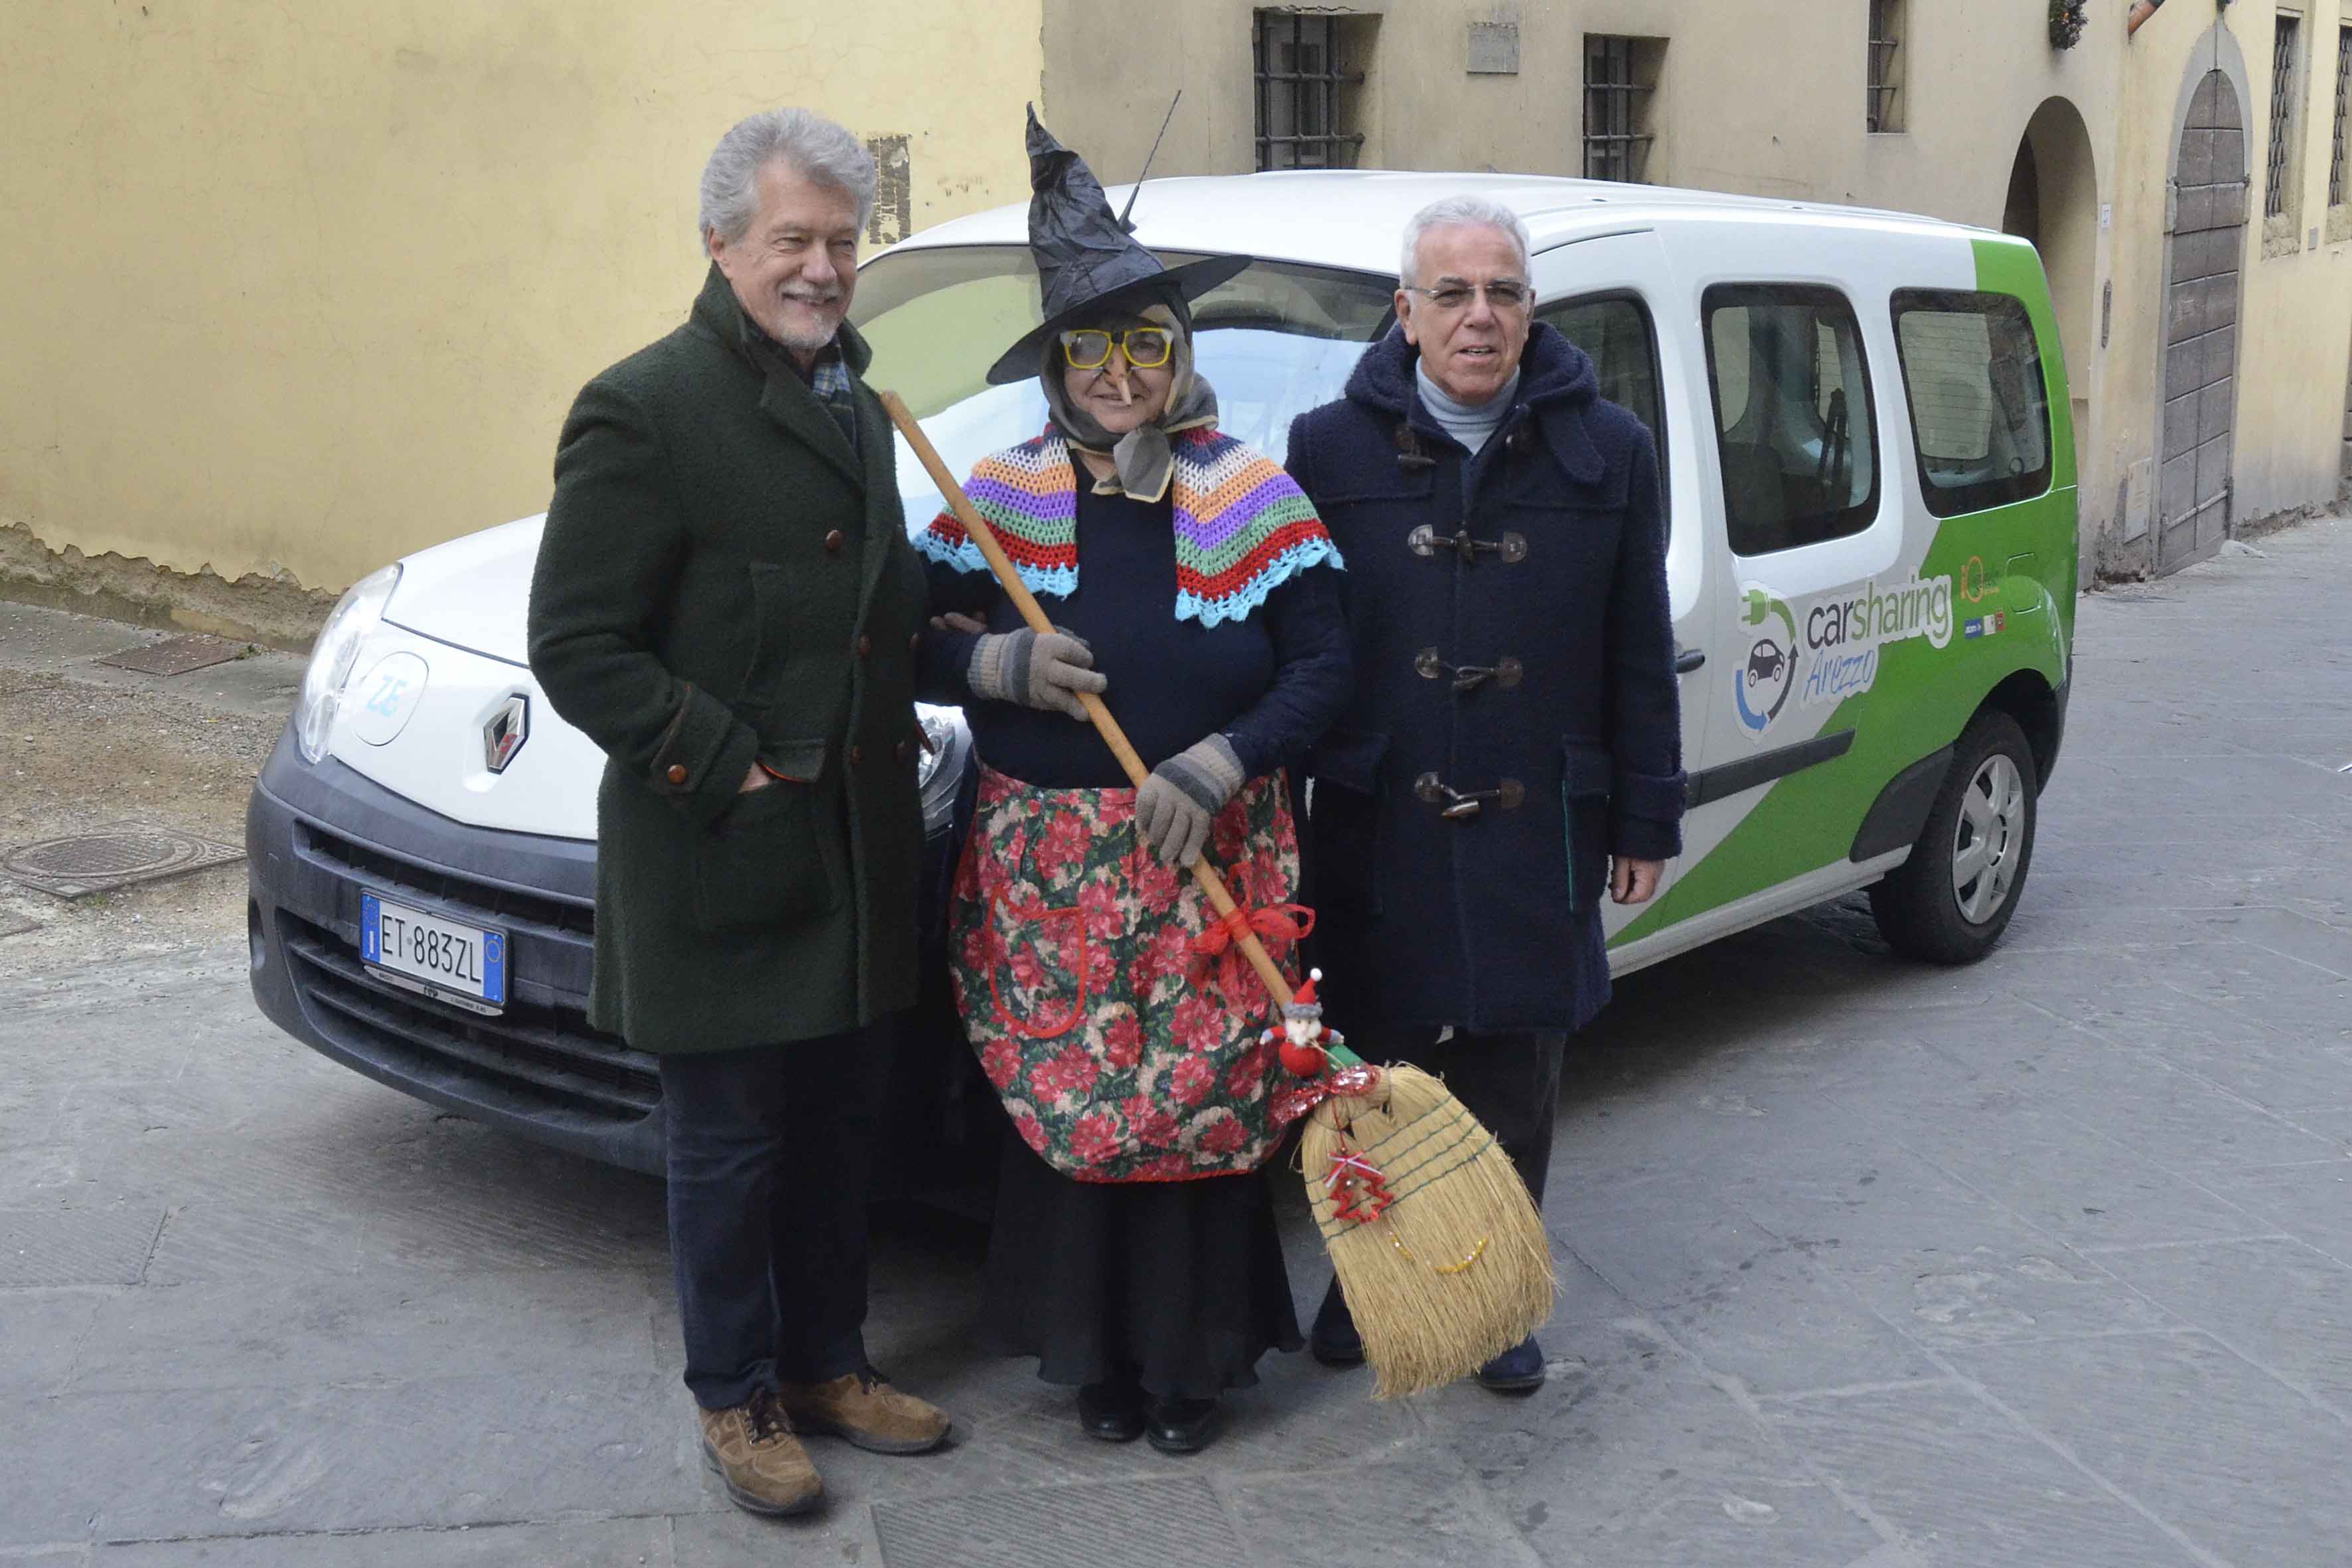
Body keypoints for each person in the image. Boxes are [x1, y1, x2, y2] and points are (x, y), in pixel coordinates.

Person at [526, 108, 951, 1520]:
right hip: (722, 848)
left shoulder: (853, 397)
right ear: (719, 246)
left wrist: (984, 653)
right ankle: (739, 1393)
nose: (823, 268)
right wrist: (726, 761)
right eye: (793, 241)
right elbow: (580, 644)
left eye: (841, 240)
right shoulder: (643, 408)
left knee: (840, 1129)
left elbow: (870, 618)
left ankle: (830, 1362)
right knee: (728, 1145)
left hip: (852, 857)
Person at [915, 111, 1348, 1454]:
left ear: (1180, 350)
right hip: (1043, 889)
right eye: (1089, 351)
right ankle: (1096, 1359)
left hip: (1206, 872)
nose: (1118, 374)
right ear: (1053, 366)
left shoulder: (1254, 493)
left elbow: (1331, 663)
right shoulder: (991, 498)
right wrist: (990, 664)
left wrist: (1227, 755)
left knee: (1195, 1105)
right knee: (1079, 1105)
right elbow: (897, 651)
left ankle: (1191, 1368)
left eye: (1143, 343)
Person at [1284, 195, 1686, 1393]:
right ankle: (1374, 1279)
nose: (1478, 315)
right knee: (1375, 1066)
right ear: (1405, 314)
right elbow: (1293, 637)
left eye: (1502, 291)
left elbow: (1638, 651)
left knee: (1517, 1065)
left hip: (1542, 814)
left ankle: (1497, 1292)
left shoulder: (1610, 448)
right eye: (1450, 293)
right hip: (1379, 812)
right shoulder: (1326, 448)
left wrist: (1648, 815)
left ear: (1530, 311)